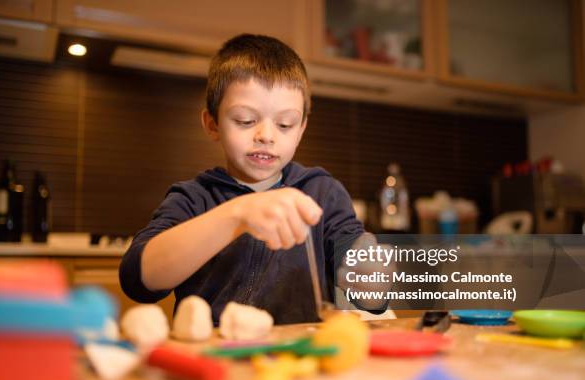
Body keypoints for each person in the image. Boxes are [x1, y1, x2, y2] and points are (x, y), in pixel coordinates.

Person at [119, 33, 387, 324]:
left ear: (301, 130)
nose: (266, 136)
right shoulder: (194, 198)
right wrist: (236, 215)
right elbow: (138, 279)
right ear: (213, 124)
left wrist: (371, 278)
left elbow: (371, 298)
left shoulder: (322, 193)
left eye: (285, 124)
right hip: (216, 358)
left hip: (300, 361)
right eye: (245, 120)